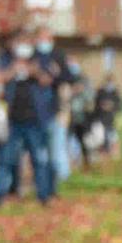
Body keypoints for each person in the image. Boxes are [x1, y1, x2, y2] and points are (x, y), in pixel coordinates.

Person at [0, 33, 57, 206]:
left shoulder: (40, 60)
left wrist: (34, 71)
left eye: (26, 43)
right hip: (11, 120)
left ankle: (44, 196)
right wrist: (13, 70)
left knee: (40, 160)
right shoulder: (5, 60)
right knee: (5, 160)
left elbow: (48, 80)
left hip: (35, 121)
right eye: (19, 43)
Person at [32, 26, 76, 183]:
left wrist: (56, 75)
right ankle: (44, 183)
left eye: (49, 39)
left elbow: (70, 78)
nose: (45, 42)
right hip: (34, 113)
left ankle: (62, 182)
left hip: (54, 111)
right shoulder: (31, 56)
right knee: (40, 154)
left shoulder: (58, 55)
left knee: (57, 151)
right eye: (42, 38)